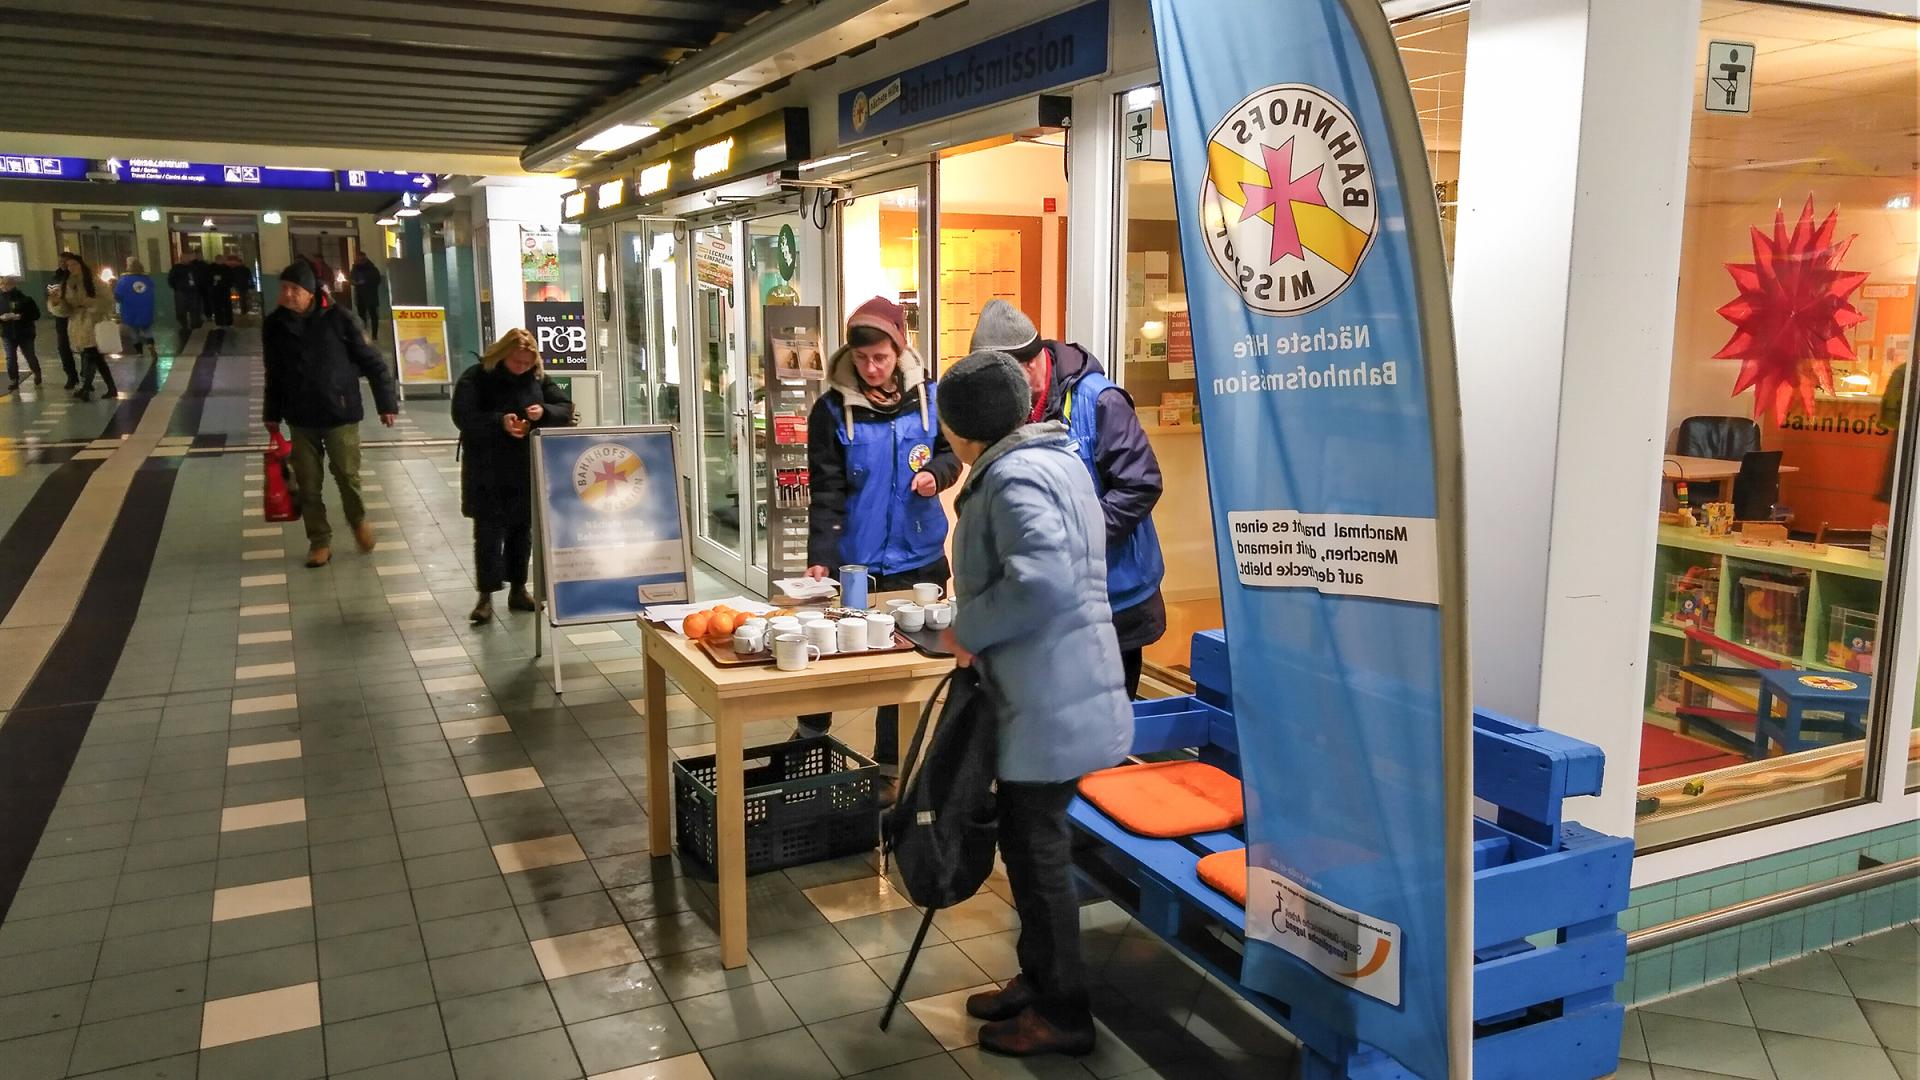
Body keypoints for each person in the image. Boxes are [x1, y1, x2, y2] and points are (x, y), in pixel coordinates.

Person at [936, 349, 1130, 1058]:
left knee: (1038, 854)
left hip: (1051, 696)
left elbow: (1043, 582)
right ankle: (1040, 978)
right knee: (1027, 846)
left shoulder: (1013, 477)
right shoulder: (1056, 459)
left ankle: (1065, 1012)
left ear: (964, 429)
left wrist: (968, 628)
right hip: (1066, 684)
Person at [799, 296, 959, 799]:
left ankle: (891, 768)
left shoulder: (931, 398)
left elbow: (952, 453)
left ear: (900, 346)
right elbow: (825, 490)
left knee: (902, 669)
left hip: (919, 559)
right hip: (855, 562)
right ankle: (807, 743)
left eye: (881, 358)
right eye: (863, 358)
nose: (871, 368)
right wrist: (820, 557)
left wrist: (937, 474)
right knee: (830, 655)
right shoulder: (830, 409)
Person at [970, 300, 1166, 698]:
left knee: (1107, 729)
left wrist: (1076, 536)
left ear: (1026, 366)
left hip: (1116, 598)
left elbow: (1140, 485)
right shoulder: (1010, 413)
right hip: (1048, 604)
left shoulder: (1100, 401)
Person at [263, 261, 399, 568]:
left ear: (310, 293)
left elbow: (374, 363)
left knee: (347, 476)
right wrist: (271, 412)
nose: (287, 294)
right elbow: (274, 372)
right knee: (308, 484)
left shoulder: (340, 319)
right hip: (300, 417)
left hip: (340, 413)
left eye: (294, 289)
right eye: (283, 288)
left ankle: (358, 520)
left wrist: (386, 404)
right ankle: (319, 541)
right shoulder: (274, 325)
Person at [453, 328, 574, 624]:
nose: (521, 368)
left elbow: (565, 408)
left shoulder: (536, 378)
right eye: (516, 362)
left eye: (526, 363)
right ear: (503, 354)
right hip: (487, 467)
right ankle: (485, 596)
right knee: (488, 533)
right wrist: (500, 421)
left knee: (522, 531)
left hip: (524, 467)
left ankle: (518, 588)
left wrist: (541, 412)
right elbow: (463, 416)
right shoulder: (477, 376)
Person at [58, 252, 116, 402]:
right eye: (69, 265)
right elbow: (65, 308)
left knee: (92, 354)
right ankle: (105, 387)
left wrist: (89, 303)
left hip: (92, 322)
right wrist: (56, 304)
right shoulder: (67, 283)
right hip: (77, 323)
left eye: (74, 264)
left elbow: (107, 300)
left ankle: (88, 388)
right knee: (93, 356)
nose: (71, 268)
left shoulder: (94, 281)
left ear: (81, 265)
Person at [0, 277, 43, 389]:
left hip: (25, 333)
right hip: (8, 333)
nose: (4, 286)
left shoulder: (25, 299)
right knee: (10, 357)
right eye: (2, 284)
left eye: (7, 284)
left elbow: (36, 315)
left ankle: (37, 372)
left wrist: (20, 316)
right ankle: (14, 379)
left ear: (14, 285)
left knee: (29, 355)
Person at [113, 257, 159, 359]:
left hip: (130, 309)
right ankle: (150, 344)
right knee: (147, 329)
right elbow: (152, 291)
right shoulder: (147, 279)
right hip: (146, 308)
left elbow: (118, 295)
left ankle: (139, 352)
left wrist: (117, 309)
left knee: (134, 331)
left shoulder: (124, 279)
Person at [45, 264, 78, 389]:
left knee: (85, 348)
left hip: (79, 317)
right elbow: (50, 297)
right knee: (63, 348)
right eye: (61, 261)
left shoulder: (79, 279)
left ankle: (86, 376)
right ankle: (71, 376)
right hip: (61, 319)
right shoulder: (55, 279)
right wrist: (55, 302)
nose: (64, 264)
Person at [350, 252, 384, 340]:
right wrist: (355, 282)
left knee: (373, 316)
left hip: (371, 295)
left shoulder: (372, 269)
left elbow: (377, 280)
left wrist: (365, 282)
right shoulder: (355, 269)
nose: (359, 261)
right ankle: (364, 334)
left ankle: (374, 335)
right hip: (360, 296)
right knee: (362, 316)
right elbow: (351, 279)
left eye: (361, 260)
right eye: (358, 260)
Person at [167, 253, 202, 334]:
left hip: (193, 291)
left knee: (194, 309)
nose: (186, 259)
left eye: (187, 258)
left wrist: (197, 287)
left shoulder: (194, 268)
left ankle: (194, 324)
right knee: (181, 311)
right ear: (181, 259)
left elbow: (198, 278)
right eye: (184, 258)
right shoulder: (176, 268)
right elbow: (171, 280)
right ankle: (184, 325)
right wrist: (177, 287)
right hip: (181, 292)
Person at [187, 249, 217, 322]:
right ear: (196, 255)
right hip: (198, 287)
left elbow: (211, 275)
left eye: (201, 254)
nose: (200, 256)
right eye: (199, 255)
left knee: (206, 302)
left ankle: (207, 316)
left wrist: (211, 283)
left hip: (205, 286)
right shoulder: (193, 265)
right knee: (199, 302)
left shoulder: (205, 265)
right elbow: (190, 275)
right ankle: (200, 316)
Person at [208, 254, 236, 327]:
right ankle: (223, 321)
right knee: (221, 306)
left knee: (223, 306)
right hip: (218, 290)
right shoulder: (213, 268)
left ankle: (224, 321)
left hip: (222, 290)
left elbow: (230, 279)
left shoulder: (225, 268)